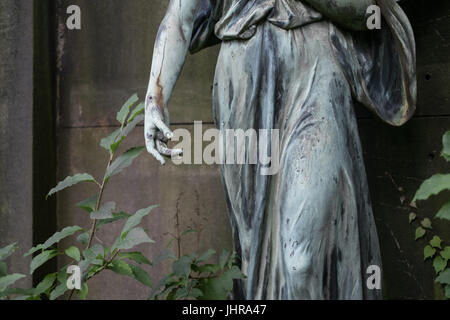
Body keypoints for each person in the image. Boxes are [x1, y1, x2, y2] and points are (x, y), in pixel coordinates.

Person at [144, 0, 416, 299]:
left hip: (314, 77)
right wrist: (155, 97)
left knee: (302, 258)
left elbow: (364, 12)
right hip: (241, 89)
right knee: (254, 253)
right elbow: (181, 18)